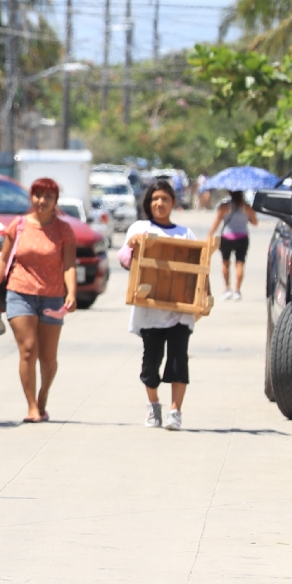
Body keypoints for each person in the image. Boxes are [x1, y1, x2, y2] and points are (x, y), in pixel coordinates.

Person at [0, 177, 76, 423]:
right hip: (19, 293)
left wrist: (72, 293)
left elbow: (68, 266)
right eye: (37, 195)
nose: (42, 201)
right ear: (31, 197)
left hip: (53, 298)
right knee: (28, 350)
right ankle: (32, 406)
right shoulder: (19, 225)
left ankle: (43, 395)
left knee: (48, 358)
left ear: (56, 200)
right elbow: (3, 260)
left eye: (48, 197)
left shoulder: (64, 230)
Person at [121, 178, 197, 429]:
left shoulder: (186, 233)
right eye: (155, 199)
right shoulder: (139, 229)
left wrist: (202, 302)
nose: (159, 203)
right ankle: (154, 405)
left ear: (173, 202)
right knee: (150, 364)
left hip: (179, 312)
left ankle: (176, 412)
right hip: (149, 312)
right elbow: (124, 259)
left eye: (164, 198)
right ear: (148, 203)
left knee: (178, 362)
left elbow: (198, 268)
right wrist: (132, 246)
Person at [208, 189, 258, 300]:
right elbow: (255, 222)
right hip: (242, 237)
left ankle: (227, 289)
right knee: (240, 264)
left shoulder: (224, 206)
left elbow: (217, 222)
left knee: (225, 263)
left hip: (227, 237)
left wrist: (209, 235)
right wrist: (246, 219)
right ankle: (237, 291)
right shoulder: (247, 207)